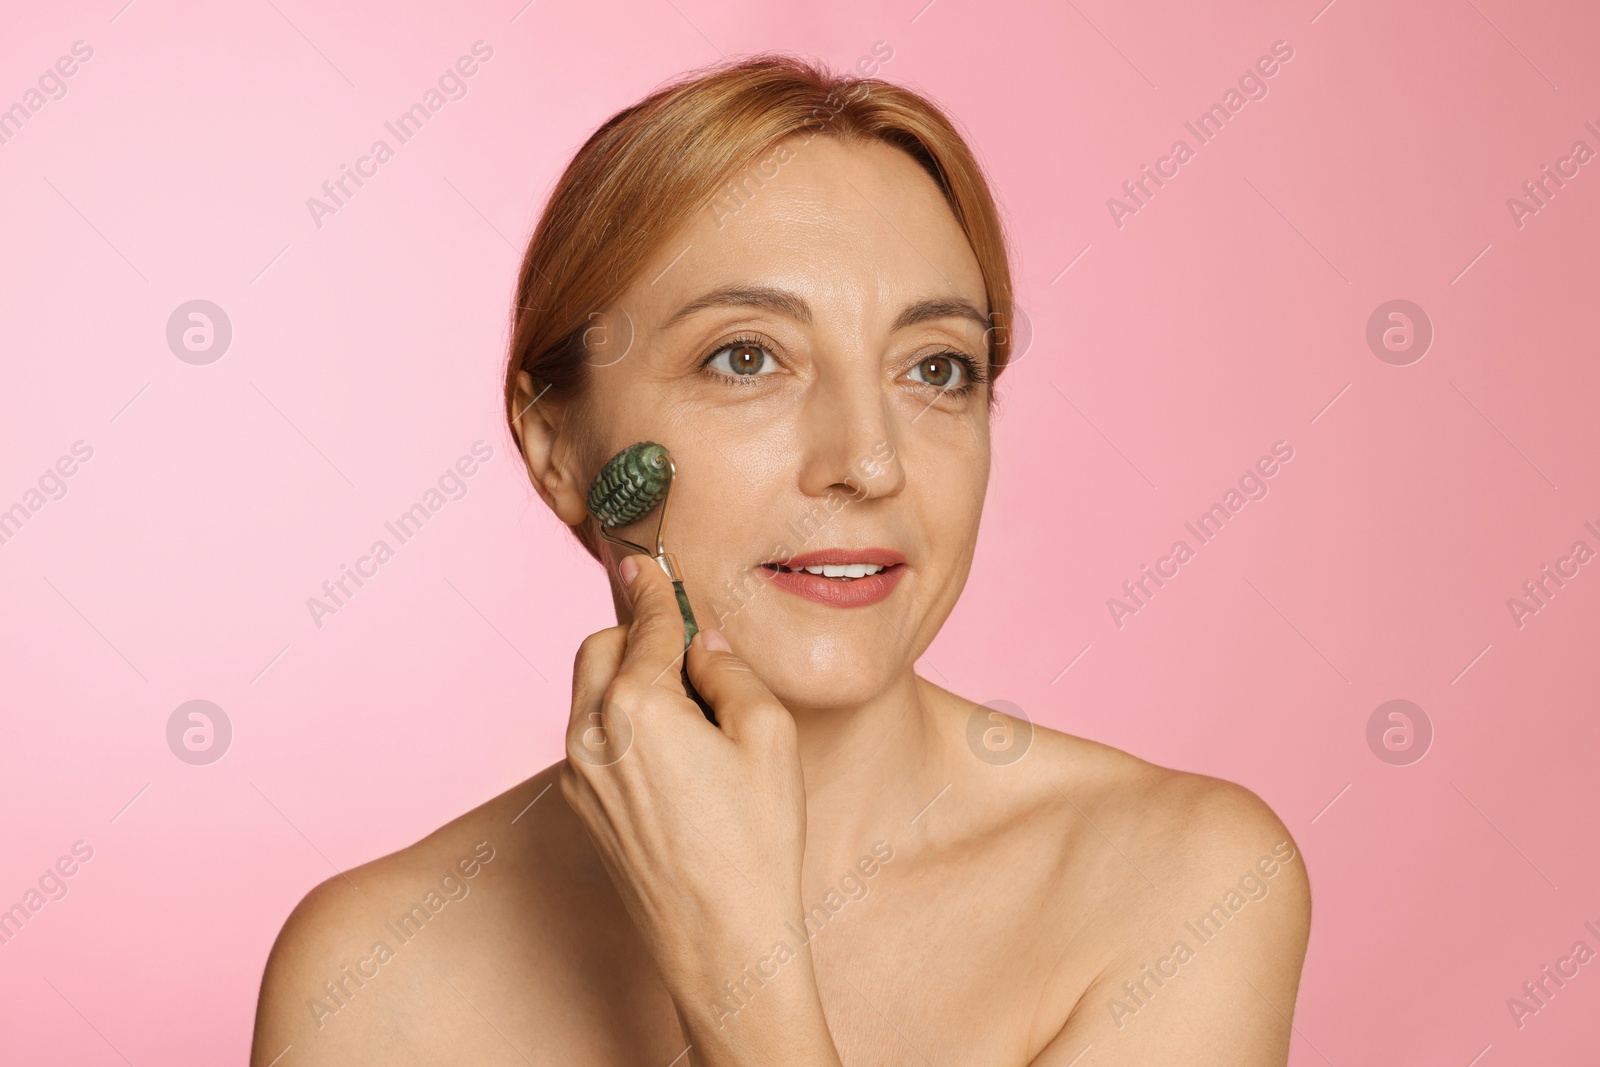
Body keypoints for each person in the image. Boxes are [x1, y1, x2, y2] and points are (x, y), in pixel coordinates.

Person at [251, 53, 1310, 1066]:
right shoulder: (371, 970)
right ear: (555, 446)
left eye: (935, 368)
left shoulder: (1181, 885)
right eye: (745, 356)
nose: (866, 459)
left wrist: (737, 961)